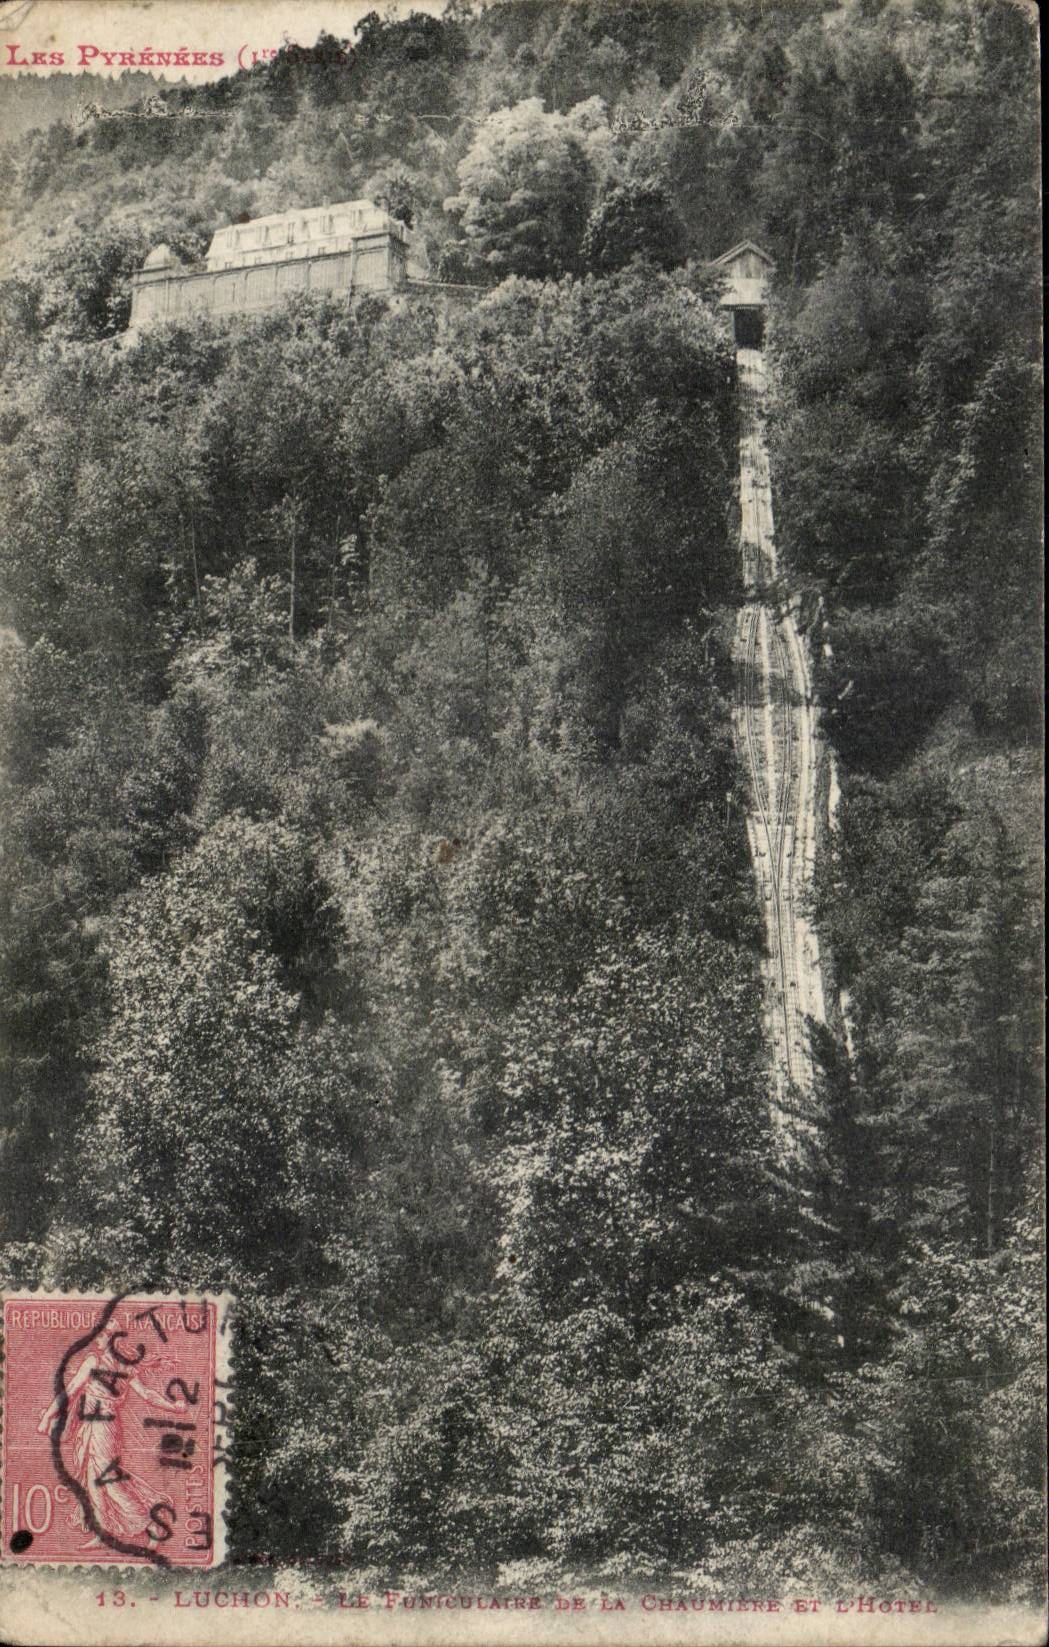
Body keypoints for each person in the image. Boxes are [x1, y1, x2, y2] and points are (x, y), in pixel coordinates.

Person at [37, 1340, 187, 1548]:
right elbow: (146, 1394)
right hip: (93, 1426)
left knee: (108, 1480)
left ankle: (152, 1524)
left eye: (101, 1335)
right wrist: (174, 1407)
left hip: (103, 1428)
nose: (97, 1339)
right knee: (93, 1483)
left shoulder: (99, 1362)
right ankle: (103, 1532)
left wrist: (47, 1417)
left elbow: (70, 1391)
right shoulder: (118, 1364)